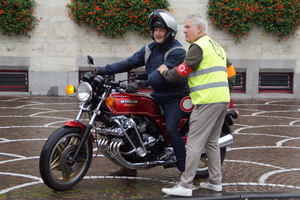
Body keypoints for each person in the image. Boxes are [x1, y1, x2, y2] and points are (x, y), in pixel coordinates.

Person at [91, 9, 190, 176]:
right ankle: (129, 166)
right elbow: (128, 63)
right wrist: (100, 71)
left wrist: (141, 83)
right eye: (155, 30)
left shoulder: (177, 51)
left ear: (169, 32)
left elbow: (160, 75)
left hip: (175, 97)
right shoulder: (149, 49)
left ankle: (185, 169)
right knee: (128, 123)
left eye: (161, 30)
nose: (157, 33)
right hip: (157, 96)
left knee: (172, 129)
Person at [157, 13, 230, 197]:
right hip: (221, 99)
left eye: (188, 27)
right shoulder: (217, 47)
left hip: (206, 100)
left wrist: (165, 72)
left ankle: (186, 185)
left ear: (199, 29)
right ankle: (215, 181)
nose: (184, 30)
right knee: (212, 142)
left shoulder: (198, 46)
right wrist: (228, 90)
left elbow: (182, 70)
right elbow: (231, 71)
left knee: (194, 144)